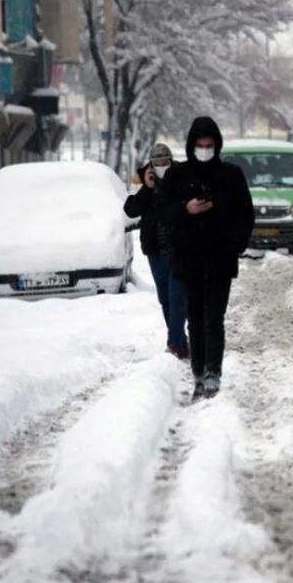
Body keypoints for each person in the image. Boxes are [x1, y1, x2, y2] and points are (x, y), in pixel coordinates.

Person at [161, 117, 254, 400]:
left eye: (209, 145)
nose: (204, 150)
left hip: (219, 259)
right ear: (191, 145)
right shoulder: (177, 176)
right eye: (199, 145)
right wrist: (185, 209)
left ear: (217, 145)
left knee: (214, 318)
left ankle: (213, 372)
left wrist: (235, 245)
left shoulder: (231, 175)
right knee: (195, 319)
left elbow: (245, 214)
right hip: (189, 260)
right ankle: (199, 373)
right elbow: (163, 212)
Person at [123, 143, 189, 359]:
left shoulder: (182, 174)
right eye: (157, 163)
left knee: (177, 294)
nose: (161, 166)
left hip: (179, 246)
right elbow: (130, 209)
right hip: (155, 249)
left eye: (165, 162)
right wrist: (147, 188)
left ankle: (173, 343)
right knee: (165, 298)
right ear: (151, 163)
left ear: (171, 160)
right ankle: (180, 340)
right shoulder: (140, 178)